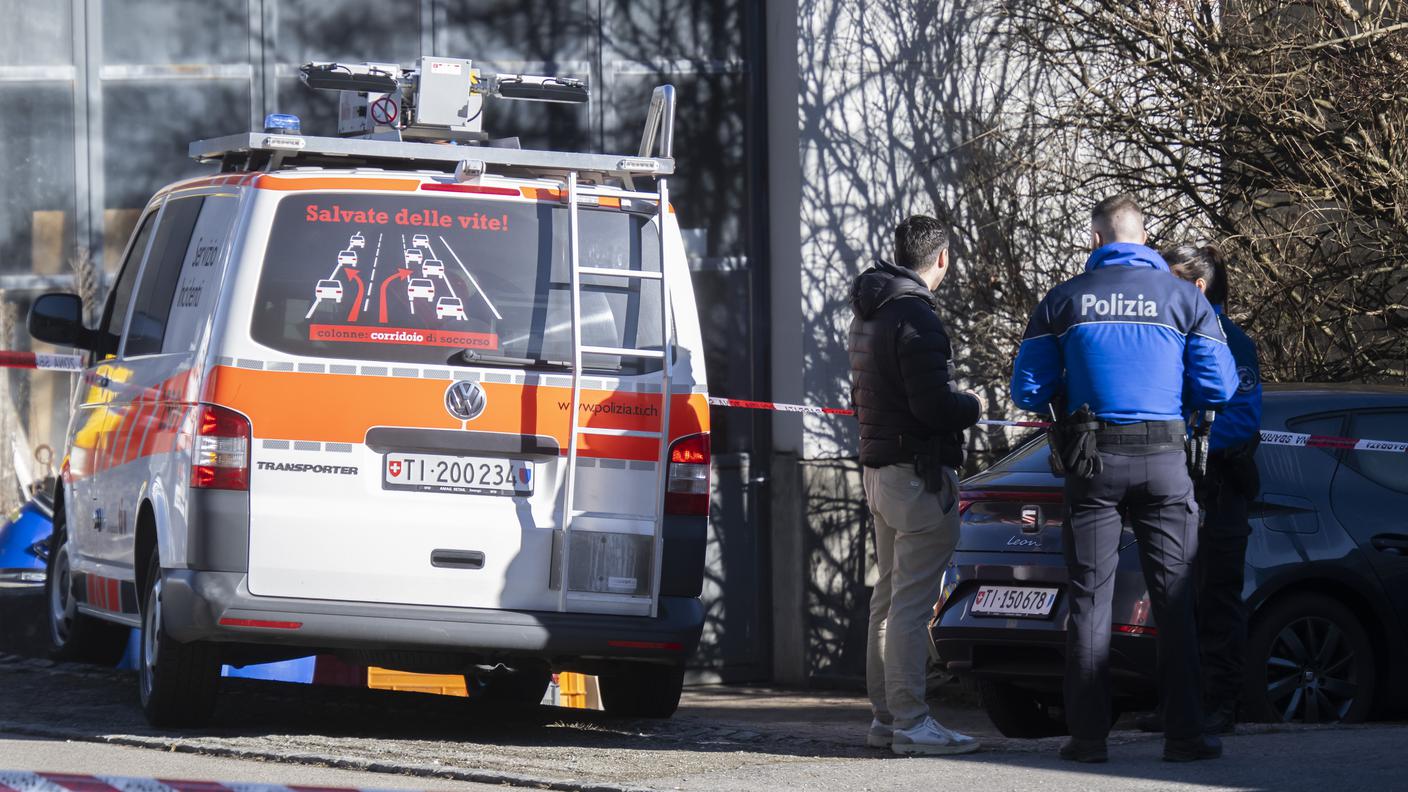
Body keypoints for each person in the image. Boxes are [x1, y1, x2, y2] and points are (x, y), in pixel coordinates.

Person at [1009, 194, 1237, 763]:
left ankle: (1087, 740)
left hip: (1094, 463)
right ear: (1144, 238)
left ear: (1095, 240)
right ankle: (1184, 736)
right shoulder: (1186, 298)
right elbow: (1219, 388)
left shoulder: (1062, 301)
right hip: (1164, 461)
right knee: (1174, 600)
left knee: (1090, 600)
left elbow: (1027, 391)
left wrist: (1072, 391)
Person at [848, 215, 984, 756]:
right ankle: (910, 720)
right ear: (943, 258)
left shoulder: (870, 310)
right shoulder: (917, 317)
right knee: (909, 604)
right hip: (916, 474)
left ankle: (888, 719)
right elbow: (933, 407)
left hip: (878, 469)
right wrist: (972, 404)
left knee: (886, 599)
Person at [1166, 243, 1263, 734]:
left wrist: (1175, 443)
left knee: (1218, 598)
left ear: (1197, 288)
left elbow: (1242, 419)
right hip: (1181, 487)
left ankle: (1222, 703)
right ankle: (1182, 703)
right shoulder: (1174, 335)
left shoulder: (1231, 341)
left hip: (1220, 487)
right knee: (1179, 598)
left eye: (1171, 281)